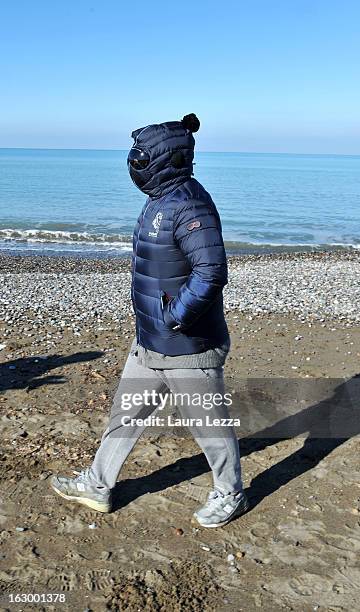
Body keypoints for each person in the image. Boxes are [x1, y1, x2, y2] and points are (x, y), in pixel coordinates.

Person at [51, 114, 248, 528]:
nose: (133, 163)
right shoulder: (159, 198)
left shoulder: (190, 204)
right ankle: (97, 484)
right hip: (150, 340)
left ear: (164, 159)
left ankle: (231, 494)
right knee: (125, 414)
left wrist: (173, 318)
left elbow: (211, 271)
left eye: (140, 157)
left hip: (188, 344)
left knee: (210, 426)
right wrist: (154, 323)